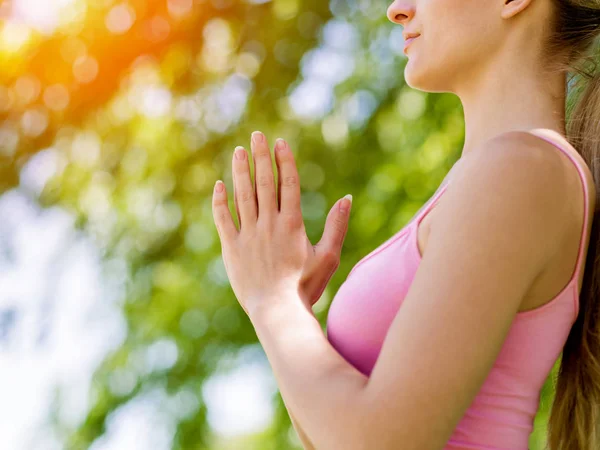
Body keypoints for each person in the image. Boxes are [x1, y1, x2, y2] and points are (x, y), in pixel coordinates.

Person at [212, 1, 600, 449]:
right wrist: (292, 309)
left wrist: (272, 301)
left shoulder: (523, 168)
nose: (397, 9)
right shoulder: (493, 178)